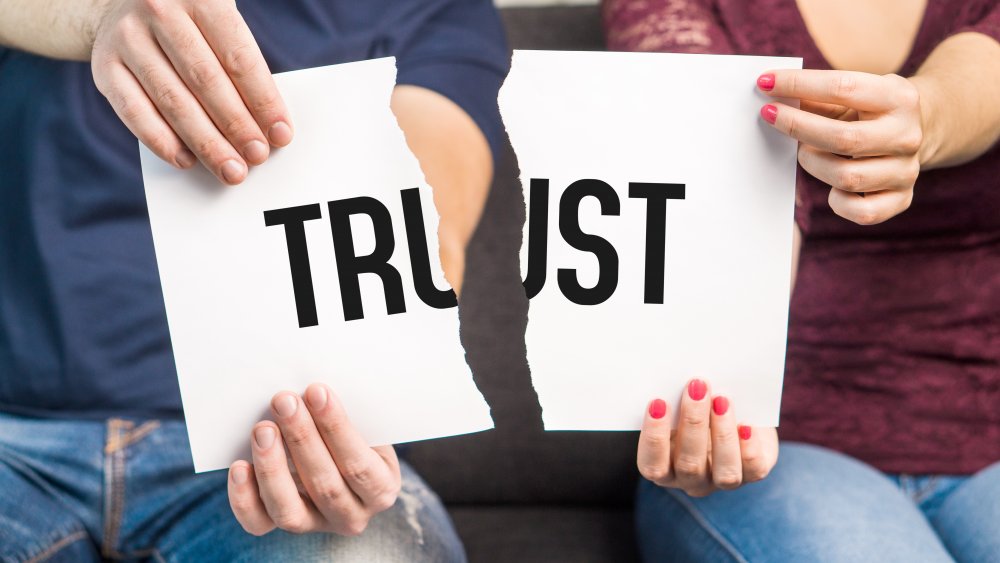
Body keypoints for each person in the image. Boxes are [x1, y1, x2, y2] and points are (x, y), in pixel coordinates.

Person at [0, 0, 507, 560]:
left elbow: (425, 232)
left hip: (259, 443)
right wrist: (101, 17)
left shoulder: (436, 11)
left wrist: (354, 413)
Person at [603, 0, 1000, 561]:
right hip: (785, 446)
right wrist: (734, 377)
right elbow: (723, 178)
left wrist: (927, 115)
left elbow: (987, 67)